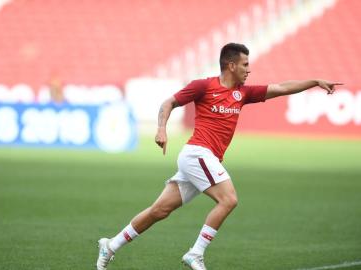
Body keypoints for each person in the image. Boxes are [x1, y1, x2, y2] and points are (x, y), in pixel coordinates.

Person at [96, 43, 342, 270]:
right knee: (229, 199)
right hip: (197, 154)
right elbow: (168, 102)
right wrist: (161, 128)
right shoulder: (204, 86)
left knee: (159, 211)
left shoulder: (243, 93)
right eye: (245, 64)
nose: (249, 69)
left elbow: (281, 88)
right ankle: (196, 253)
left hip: (204, 160)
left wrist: (315, 81)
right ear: (231, 65)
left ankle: (110, 245)